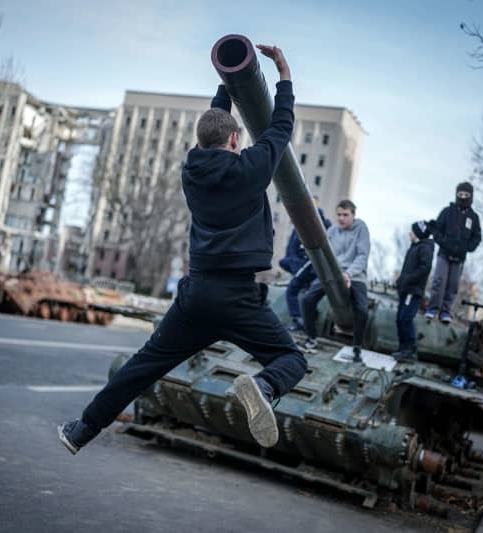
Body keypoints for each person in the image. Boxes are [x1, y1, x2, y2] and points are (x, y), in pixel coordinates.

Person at [58, 45, 307, 453]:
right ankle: (262, 386)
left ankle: (81, 430)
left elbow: (215, 123)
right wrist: (284, 73)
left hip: (196, 296)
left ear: (202, 139)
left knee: (142, 367)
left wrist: (227, 84)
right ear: (233, 138)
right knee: (291, 361)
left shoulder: (190, 170)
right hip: (239, 297)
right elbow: (281, 126)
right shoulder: (252, 168)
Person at [299, 199, 370, 363]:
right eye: (339, 214)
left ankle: (357, 347)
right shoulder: (332, 230)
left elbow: (362, 255)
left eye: (345, 215)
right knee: (307, 300)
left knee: (362, 310)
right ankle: (311, 338)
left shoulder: (361, 228)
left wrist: (349, 274)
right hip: (332, 274)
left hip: (355, 275)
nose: (341, 218)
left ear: (353, 215)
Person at [424, 182, 481, 323]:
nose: (463, 197)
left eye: (466, 195)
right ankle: (432, 308)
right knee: (439, 280)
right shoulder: (447, 212)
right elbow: (436, 229)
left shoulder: (473, 218)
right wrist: (443, 241)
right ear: (456, 195)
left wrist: (467, 247)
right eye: (460, 194)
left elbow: (477, 237)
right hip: (444, 254)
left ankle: (445, 311)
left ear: (471, 196)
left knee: (453, 285)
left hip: (459, 258)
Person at [279, 199, 331, 331]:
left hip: (314, 265)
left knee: (303, 293)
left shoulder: (324, 223)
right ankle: (298, 319)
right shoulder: (299, 225)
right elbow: (291, 248)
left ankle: (305, 321)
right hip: (300, 264)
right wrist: (295, 264)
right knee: (292, 287)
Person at [393, 221, 434, 361]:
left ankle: (410, 349)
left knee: (405, 318)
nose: (410, 233)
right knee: (399, 318)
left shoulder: (425, 248)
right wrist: (400, 281)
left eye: (413, 231)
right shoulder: (414, 247)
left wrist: (408, 279)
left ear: (418, 233)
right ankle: (402, 348)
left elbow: (424, 268)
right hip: (406, 289)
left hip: (413, 290)